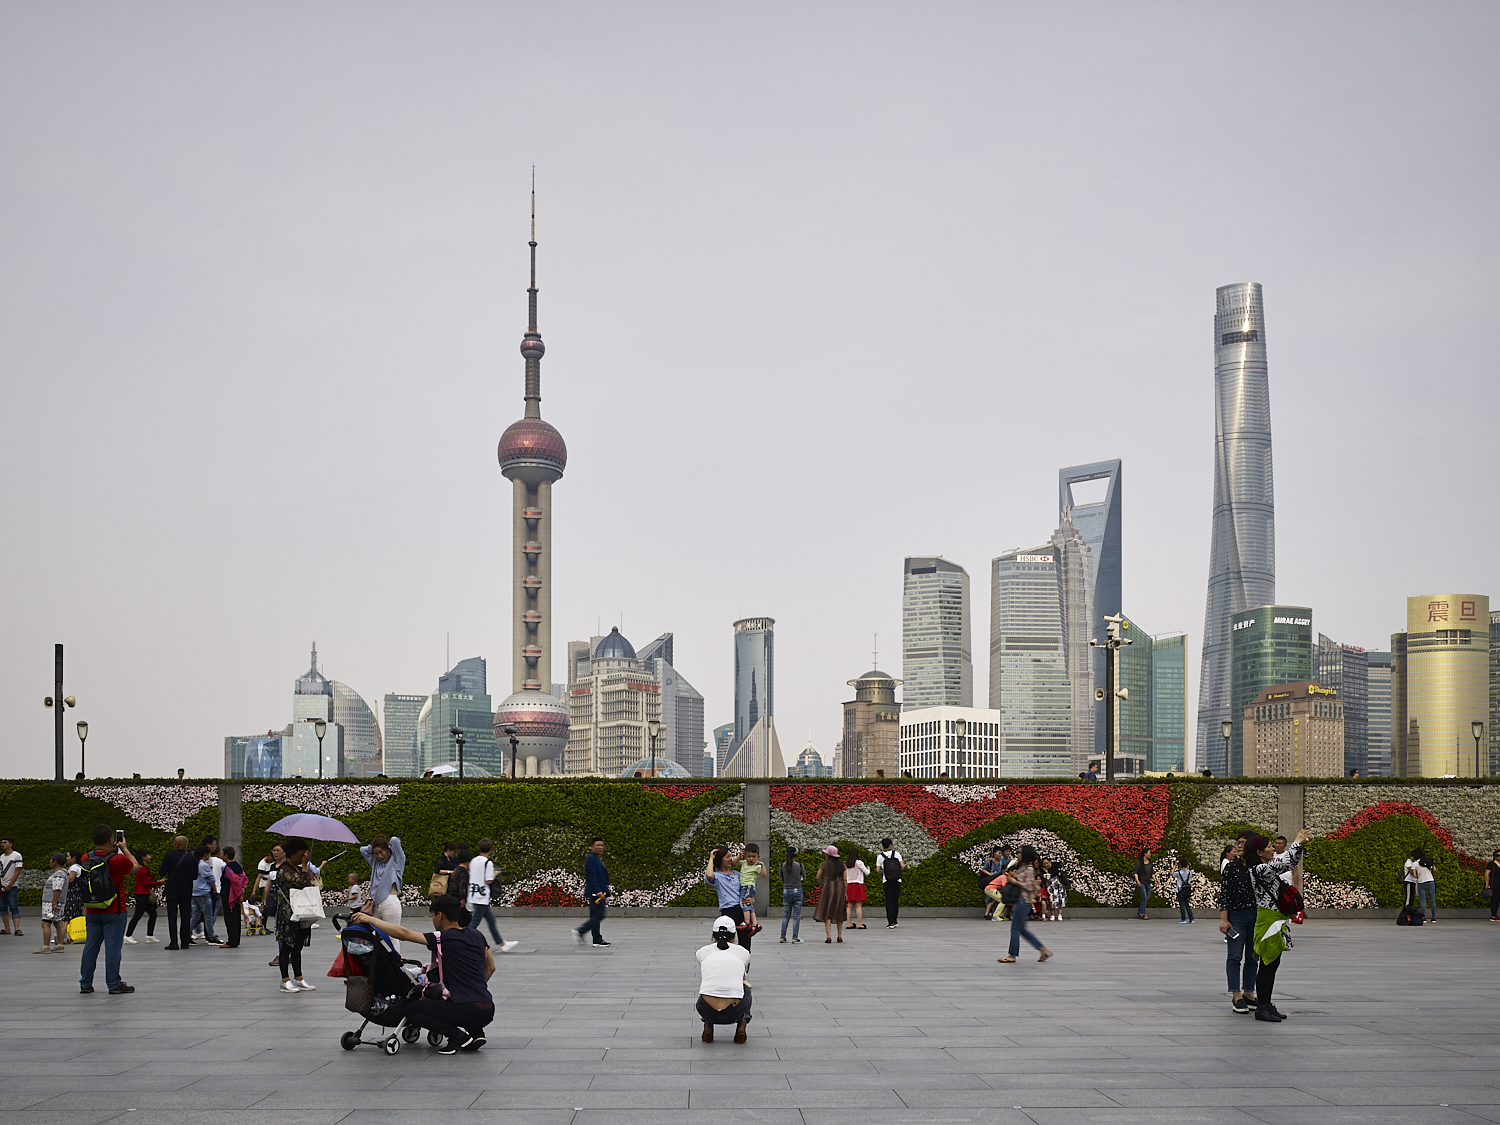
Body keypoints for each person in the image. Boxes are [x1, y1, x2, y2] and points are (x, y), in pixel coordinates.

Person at [352, 895, 495, 1053]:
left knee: (412, 1009)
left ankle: (458, 1037)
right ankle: (476, 1033)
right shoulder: (477, 935)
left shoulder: (442, 938)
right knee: (454, 1002)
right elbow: (491, 967)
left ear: (439, 915)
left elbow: (404, 933)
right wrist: (476, 989)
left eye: (433, 915)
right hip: (487, 1009)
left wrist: (370, 920)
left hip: (467, 1010)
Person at [1246, 829, 1308, 1022]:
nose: (1273, 849)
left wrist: (1298, 847)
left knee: (1272, 965)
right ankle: (1262, 1007)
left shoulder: (1264, 867)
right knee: (1267, 965)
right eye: (1269, 846)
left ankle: (1266, 1003)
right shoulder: (1259, 869)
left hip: (1274, 918)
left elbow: (1290, 863)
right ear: (1259, 852)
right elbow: (1287, 863)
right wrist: (1296, 842)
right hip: (1268, 921)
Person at [77, 824, 138, 994]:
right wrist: (124, 849)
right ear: (111, 840)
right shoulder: (117, 860)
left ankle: (85, 983)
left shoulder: (85, 858)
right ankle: (113, 983)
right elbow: (135, 868)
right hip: (114, 910)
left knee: (90, 946)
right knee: (112, 948)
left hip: (92, 909)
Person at [696, 916, 753, 1044]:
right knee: (745, 989)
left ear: (713, 934)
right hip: (735, 1010)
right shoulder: (743, 952)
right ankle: (741, 1028)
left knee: (710, 987)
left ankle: (708, 1027)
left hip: (707, 1009)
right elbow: (742, 979)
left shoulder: (702, 952)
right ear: (735, 934)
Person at [1218, 838, 1259, 1014]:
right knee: (1234, 956)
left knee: (1253, 956)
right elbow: (1225, 893)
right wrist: (1224, 919)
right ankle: (1236, 994)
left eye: (1243, 842)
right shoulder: (1231, 867)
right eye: (1238, 843)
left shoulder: (1259, 867)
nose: (1239, 846)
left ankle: (1249, 992)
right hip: (1237, 915)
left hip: (1257, 915)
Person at [273, 838, 318, 993]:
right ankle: (285, 980)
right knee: (286, 946)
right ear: (293, 853)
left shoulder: (298, 869)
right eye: (302, 853)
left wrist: (306, 871)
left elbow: (307, 884)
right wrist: (305, 867)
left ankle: (298, 978)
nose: (304, 856)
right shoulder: (284, 869)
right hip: (288, 914)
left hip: (301, 911)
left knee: (298, 946)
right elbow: (301, 882)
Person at [996, 844, 1051, 964]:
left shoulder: (1029, 869)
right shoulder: (1022, 867)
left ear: (1025, 855)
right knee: (1022, 930)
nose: (1017, 855)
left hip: (1023, 900)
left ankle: (1012, 955)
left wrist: (1015, 881)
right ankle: (1042, 949)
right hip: (1020, 901)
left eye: (1020, 853)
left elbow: (1032, 887)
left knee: (1015, 929)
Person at [467, 838, 519, 953]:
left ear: (479, 848)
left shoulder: (474, 861)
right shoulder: (488, 863)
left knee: (490, 920)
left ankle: (502, 943)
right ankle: (462, 941)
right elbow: (489, 880)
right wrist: (495, 873)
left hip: (474, 893)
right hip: (482, 896)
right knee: (475, 922)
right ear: (491, 849)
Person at [704, 847, 752, 949]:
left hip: (743, 910)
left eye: (730, 856)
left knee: (745, 945)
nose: (730, 859)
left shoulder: (737, 874)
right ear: (720, 860)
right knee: (727, 944)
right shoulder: (716, 876)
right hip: (728, 912)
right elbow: (709, 875)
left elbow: (747, 889)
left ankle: (745, 965)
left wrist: (751, 899)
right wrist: (711, 858)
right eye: (727, 857)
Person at [360, 833, 407, 932]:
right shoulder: (376, 862)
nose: (379, 856)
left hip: (389, 902)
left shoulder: (396, 860)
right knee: (372, 938)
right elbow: (362, 850)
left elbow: (394, 840)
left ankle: (393, 949)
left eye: (381, 852)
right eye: (376, 853)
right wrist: (373, 848)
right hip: (374, 904)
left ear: (387, 849)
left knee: (392, 936)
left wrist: (387, 845)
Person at [160, 836, 196, 950]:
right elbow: (195, 876)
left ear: (176, 844)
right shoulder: (192, 858)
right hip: (186, 891)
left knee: (172, 917)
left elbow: (162, 872)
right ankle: (185, 942)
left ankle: (174, 943)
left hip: (172, 890)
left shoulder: (169, 856)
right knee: (186, 917)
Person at [573, 838, 610, 947]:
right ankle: (581, 931)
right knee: (599, 914)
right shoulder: (591, 859)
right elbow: (592, 876)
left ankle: (597, 939)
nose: (600, 847)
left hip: (599, 892)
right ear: (592, 846)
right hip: (596, 893)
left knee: (595, 915)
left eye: (601, 845)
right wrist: (598, 891)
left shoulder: (596, 859)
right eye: (597, 845)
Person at [189, 846, 225, 946]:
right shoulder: (203, 865)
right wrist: (214, 889)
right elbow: (211, 879)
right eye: (209, 853)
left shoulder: (193, 864)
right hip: (203, 893)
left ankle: (186, 934)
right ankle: (211, 937)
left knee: (195, 916)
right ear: (205, 854)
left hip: (194, 893)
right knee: (208, 916)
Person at [124, 848, 159, 944]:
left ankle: (150, 935)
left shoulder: (142, 868)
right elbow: (146, 883)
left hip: (143, 894)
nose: (150, 857)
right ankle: (128, 935)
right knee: (138, 915)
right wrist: (159, 882)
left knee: (152, 914)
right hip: (142, 894)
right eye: (148, 855)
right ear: (143, 857)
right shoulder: (142, 869)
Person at [814, 845, 847, 943]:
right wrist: (845, 891)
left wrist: (822, 884)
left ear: (828, 855)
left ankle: (828, 936)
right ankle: (839, 936)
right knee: (840, 911)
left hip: (828, 887)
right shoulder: (842, 865)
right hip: (839, 887)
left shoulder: (824, 864)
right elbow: (845, 879)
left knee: (827, 911)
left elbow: (817, 877)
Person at [37, 853, 68, 953]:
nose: (50, 862)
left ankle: (46, 947)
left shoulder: (59, 874)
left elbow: (57, 889)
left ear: (55, 862)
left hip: (52, 904)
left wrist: (54, 903)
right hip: (57, 903)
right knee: (58, 923)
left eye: (51, 860)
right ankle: (60, 945)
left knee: (45, 923)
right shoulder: (63, 873)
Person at [221, 847, 247, 948]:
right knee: (236, 918)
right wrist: (242, 890)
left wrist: (238, 894)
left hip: (229, 896)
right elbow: (244, 878)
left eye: (223, 854)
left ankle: (232, 941)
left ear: (226, 855)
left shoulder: (228, 868)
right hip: (236, 896)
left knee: (230, 918)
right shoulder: (238, 866)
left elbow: (234, 881)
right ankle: (235, 940)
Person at [739, 844, 765, 936]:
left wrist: (762, 865)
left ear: (758, 857)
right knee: (749, 905)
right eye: (749, 856)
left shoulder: (757, 866)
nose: (751, 859)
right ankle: (755, 923)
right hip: (745, 887)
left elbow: (763, 875)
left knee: (744, 903)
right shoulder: (744, 863)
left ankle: (746, 922)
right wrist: (739, 856)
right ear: (745, 856)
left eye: (753, 857)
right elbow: (734, 863)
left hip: (748, 886)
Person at [779, 847, 804, 943]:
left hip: (786, 890)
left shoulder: (782, 865)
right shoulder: (799, 865)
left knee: (786, 915)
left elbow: (781, 879)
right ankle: (795, 937)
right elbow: (804, 877)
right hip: (797, 890)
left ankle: (782, 936)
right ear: (795, 855)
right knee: (796, 915)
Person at [877, 838, 903, 928]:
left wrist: (885, 871)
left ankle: (890, 922)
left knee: (888, 900)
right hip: (897, 880)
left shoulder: (880, 857)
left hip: (886, 880)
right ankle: (895, 920)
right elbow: (902, 866)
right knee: (895, 900)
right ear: (890, 845)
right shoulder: (897, 854)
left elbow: (877, 870)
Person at [1406, 848, 1436, 922]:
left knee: (1423, 901)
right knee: (1432, 900)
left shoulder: (1415, 864)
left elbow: (1414, 874)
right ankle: (1433, 918)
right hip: (1431, 881)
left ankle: (1424, 918)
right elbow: (1434, 869)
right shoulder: (1429, 861)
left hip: (1421, 882)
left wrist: (1418, 876)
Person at [63, 849, 86, 944]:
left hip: (72, 894)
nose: (66, 858)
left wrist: (62, 873)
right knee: (74, 914)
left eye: (68, 856)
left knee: (68, 915)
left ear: (74, 858)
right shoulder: (78, 867)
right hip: (77, 894)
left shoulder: (74, 868)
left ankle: (62, 936)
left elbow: (71, 879)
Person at [0, 837, 21, 936]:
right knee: (2, 906)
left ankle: (17, 929)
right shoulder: (1, 857)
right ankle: (7, 928)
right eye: (2, 842)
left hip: (11, 886)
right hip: (2, 886)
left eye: (5, 842)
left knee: (13, 906)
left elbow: (18, 871)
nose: (2, 844)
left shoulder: (16, 855)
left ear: (11, 844)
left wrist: (10, 884)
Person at [844, 851, 869, 929]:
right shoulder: (859, 862)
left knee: (849, 905)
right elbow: (867, 873)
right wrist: (868, 868)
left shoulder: (846, 864)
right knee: (858, 905)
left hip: (849, 885)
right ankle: (859, 924)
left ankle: (849, 923)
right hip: (858, 884)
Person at [980, 847, 1006, 920]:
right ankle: (988, 913)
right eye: (998, 853)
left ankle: (988, 913)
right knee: (989, 898)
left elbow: (1006, 866)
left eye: (1001, 853)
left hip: (996, 880)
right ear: (994, 854)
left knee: (994, 898)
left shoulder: (1001, 861)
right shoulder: (989, 861)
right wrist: (990, 874)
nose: (1000, 855)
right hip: (989, 880)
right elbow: (983, 869)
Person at [1132, 848, 1152, 919]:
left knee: (1147, 898)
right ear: (1145, 854)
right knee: (1144, 897)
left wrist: (1155, 880)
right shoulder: (1139, 863)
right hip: (1141, 882)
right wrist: (1138, 881)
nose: (1150, 854)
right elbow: (1135, 873)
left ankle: (1141, 911)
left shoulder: (1150, 863)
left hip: (1148, 882)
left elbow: (1151, 873)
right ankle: (1143, 914)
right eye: (1149, 853)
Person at [1174, 858, 1194, 923]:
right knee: (1187, 904)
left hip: (1180, 890)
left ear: (1180, 865)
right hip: (1187, 890)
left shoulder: (1178, 873)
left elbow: (1172, 874)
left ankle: (1183, 919)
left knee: (1182, 904)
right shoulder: (1189, 873)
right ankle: (1191, 918)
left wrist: (1175, 866)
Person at [1485, 850, 1500, 922]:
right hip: (1495, 884)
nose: (1499, 857)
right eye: (1497, 855)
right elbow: (1487, 873)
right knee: (1495, 899)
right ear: (1494, 856)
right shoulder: (1492, 864)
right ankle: (1494, 915)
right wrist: (1487, 884)